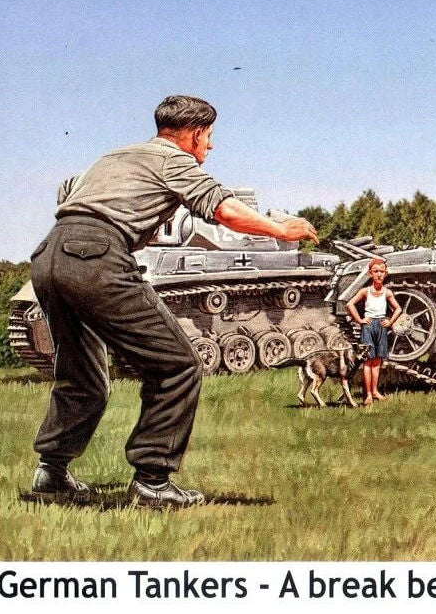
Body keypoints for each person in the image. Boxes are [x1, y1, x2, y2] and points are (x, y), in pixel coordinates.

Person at [29, 95, 318, 508]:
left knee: (83, 376)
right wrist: (279, 229)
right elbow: (223, 209)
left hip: (49, 255)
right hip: (97, 256)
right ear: (196, 134)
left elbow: (67, 193)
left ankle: (50, 472)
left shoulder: (116, 155)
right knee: (177, 365)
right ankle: (152, 480)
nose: (211, 148)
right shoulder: (173, 159)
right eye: (210, 137)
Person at [346, 258, 402, 405]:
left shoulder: (387, 292)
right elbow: (350, 304)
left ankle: (375, 391)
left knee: (377, 361)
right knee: (368, 361)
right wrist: (359, 320)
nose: (378, 274)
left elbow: (398, 308)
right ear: (370, 273)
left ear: (385, 273)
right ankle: (368, 394)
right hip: (368, 326)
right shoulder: (365, 291)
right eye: (375, 271)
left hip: (381, 326)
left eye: (381, 271)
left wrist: (390, 321)